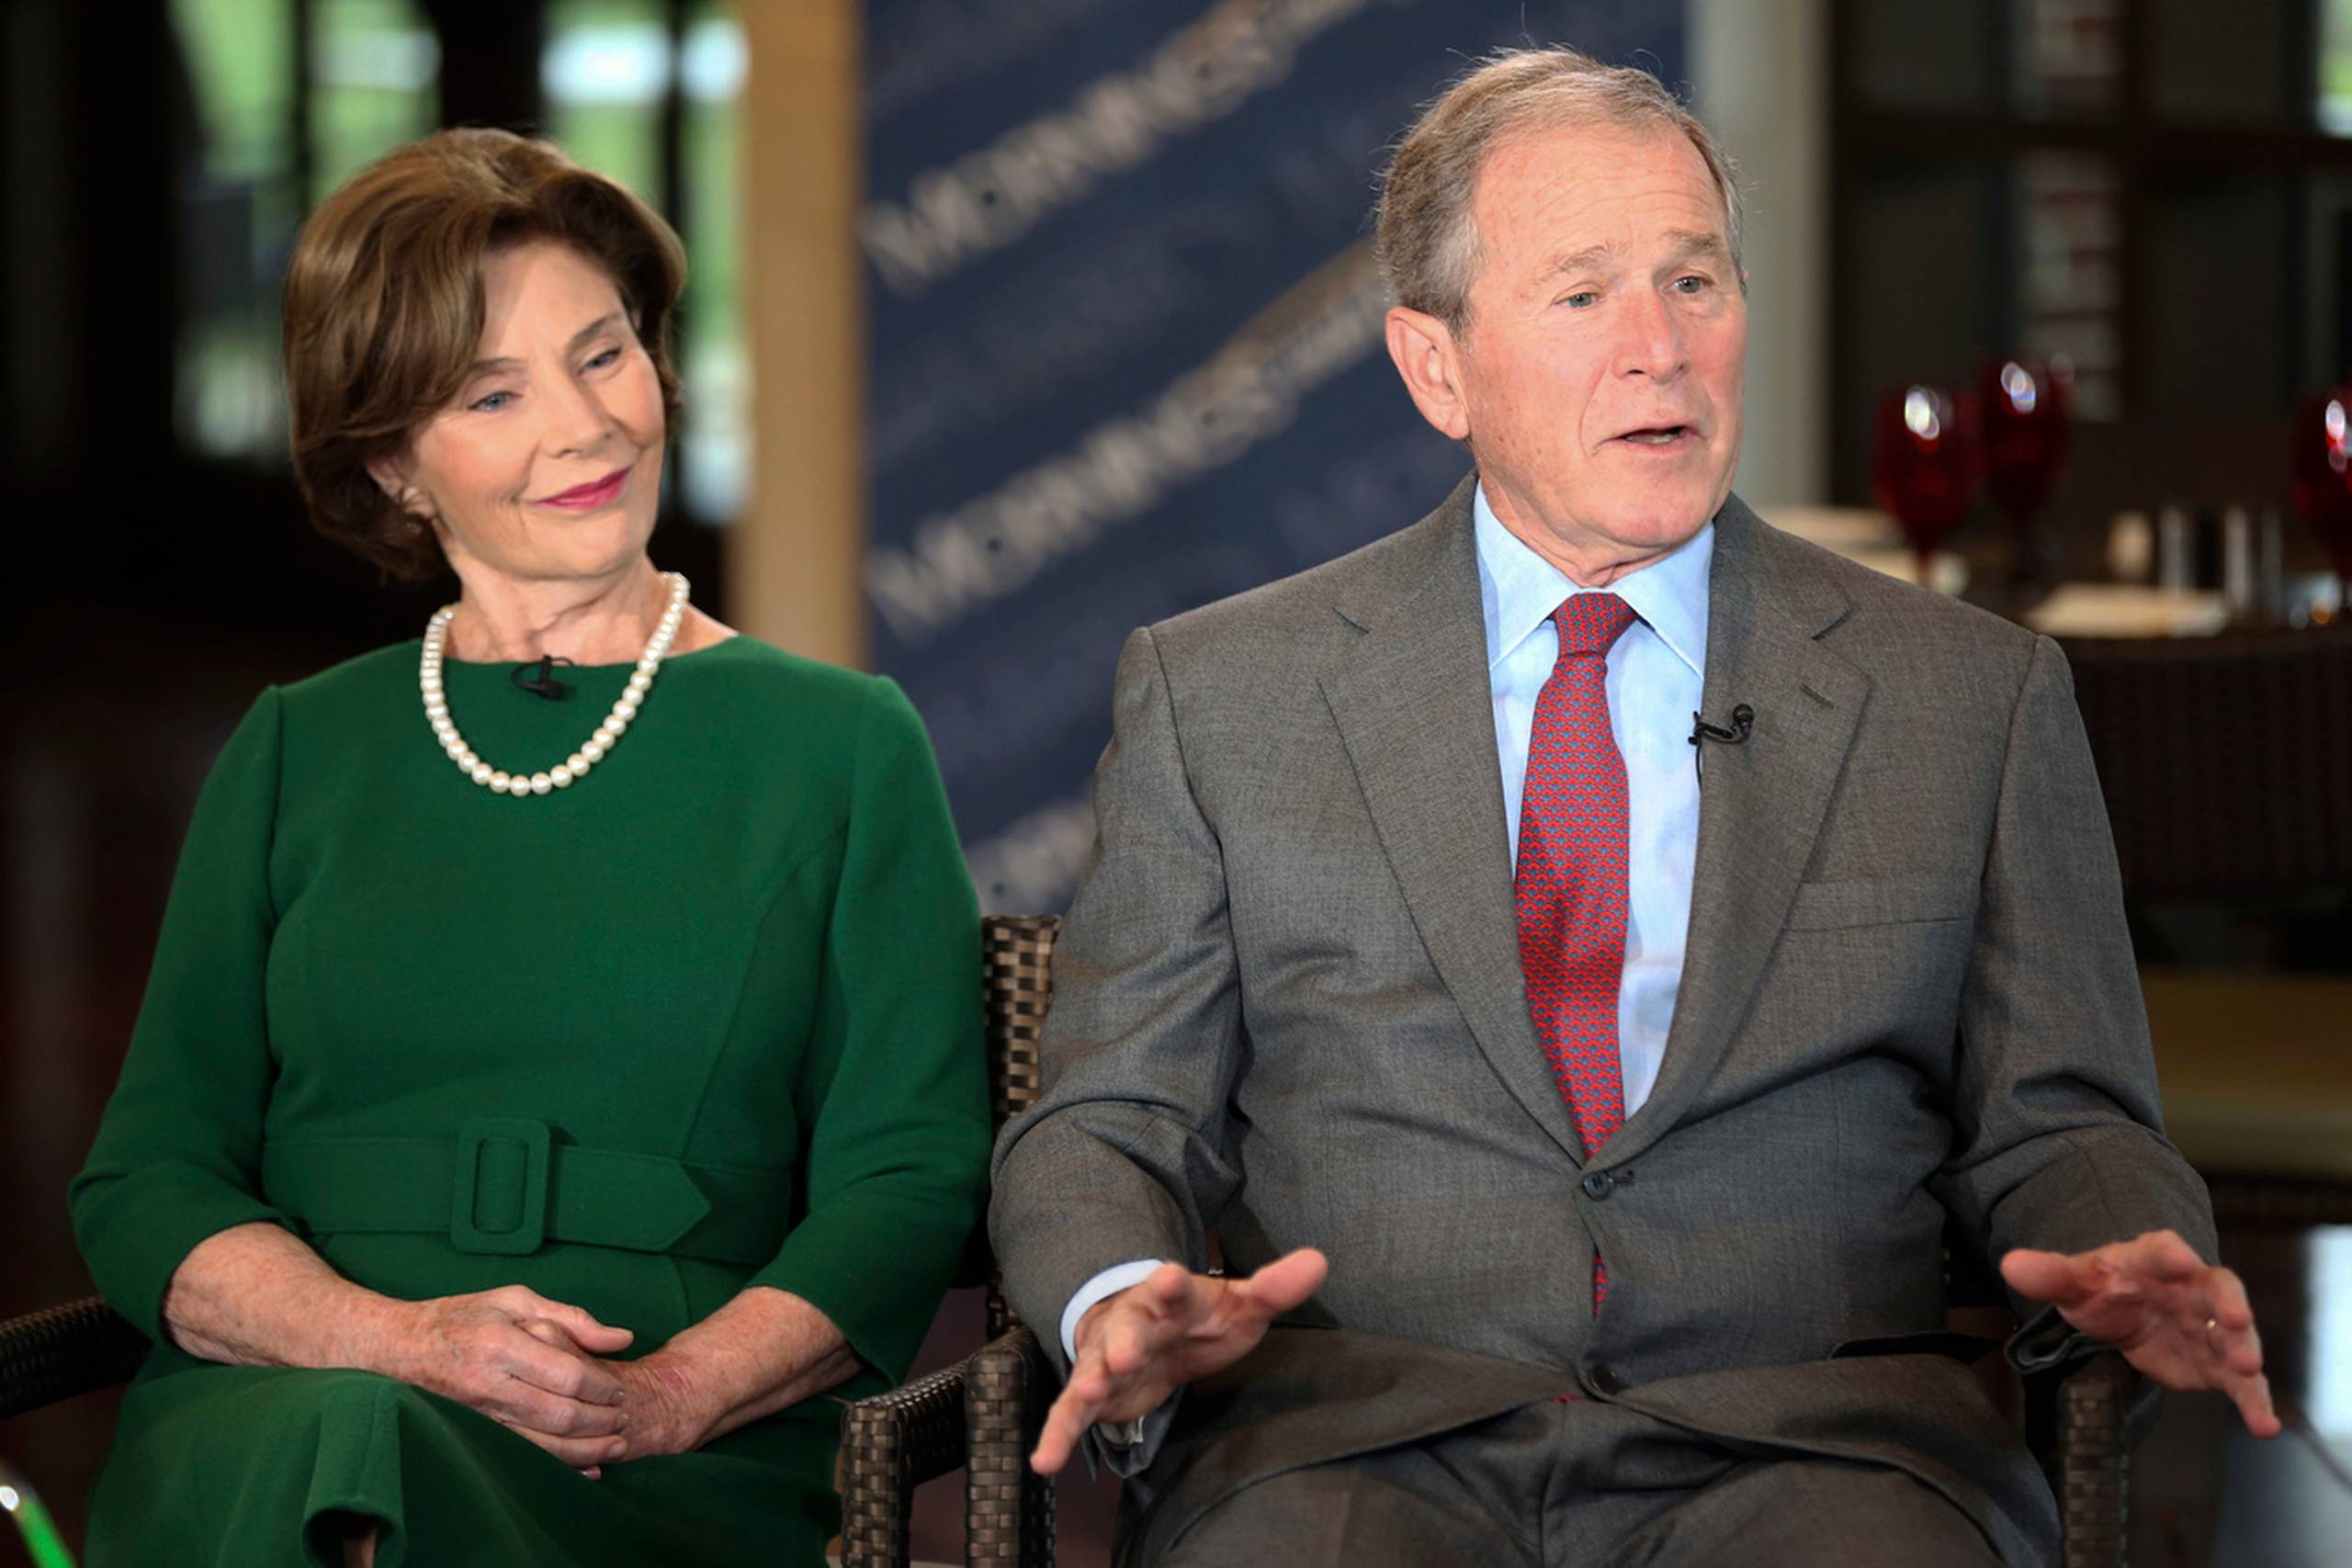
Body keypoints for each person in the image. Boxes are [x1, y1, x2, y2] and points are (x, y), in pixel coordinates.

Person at [989, 46, 2274, 1567]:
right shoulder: (1224, 695)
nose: (1658, 349)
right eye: (1584, 294)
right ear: (1436, 366)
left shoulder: (1970, 697)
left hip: (1818, 1446)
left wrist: (2132, 1242)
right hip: (1348, 1437)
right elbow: (1107, 1121)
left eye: (1696, 282)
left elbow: (2064, 1121)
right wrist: (1115, 1289)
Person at [68, 129, 989, 1567]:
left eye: (604, 353)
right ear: (393, 462)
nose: (589, 427)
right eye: (495, 392)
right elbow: (150, 1179)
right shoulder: (299, 747)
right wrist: (389, 1341)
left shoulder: (841, 745)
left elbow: (910, 1176)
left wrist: (670, 1394)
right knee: (345, 1447)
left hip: (659, 1447)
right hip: (284, 1410)